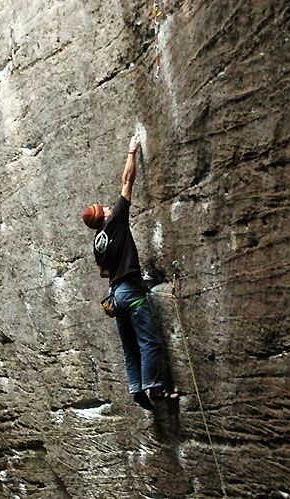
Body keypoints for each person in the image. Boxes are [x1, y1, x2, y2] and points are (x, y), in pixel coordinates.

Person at [82, 134, 178, 411]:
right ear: (103, 215)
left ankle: (136, 388)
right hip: (131, 292)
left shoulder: (97, 242)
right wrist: (132, 151)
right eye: (104, 208)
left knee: (130, 348)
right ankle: (154, 388)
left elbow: (103, 271)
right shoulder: (116, 220)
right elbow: (127, 181)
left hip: (115, 296)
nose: (108, 207)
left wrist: (119, 264)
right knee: (149, 341)